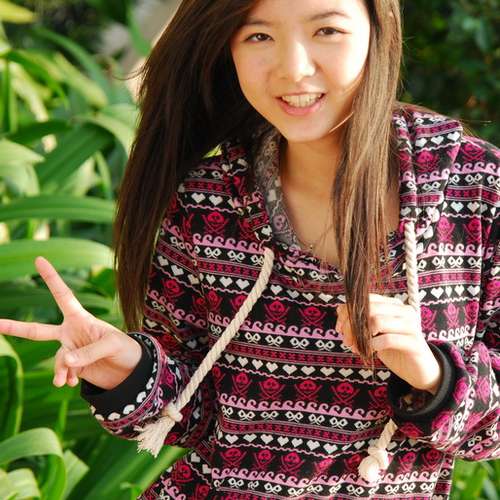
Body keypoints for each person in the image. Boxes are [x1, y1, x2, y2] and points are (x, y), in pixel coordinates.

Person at [1, 0, 498, 498]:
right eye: (259, 36)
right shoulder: (207, 199)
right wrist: (128, 370)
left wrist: (433, 376)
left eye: (326, 30)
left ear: (378, 29)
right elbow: (190, 413)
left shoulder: (477, 190)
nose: (293, 68)